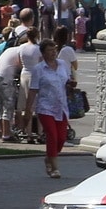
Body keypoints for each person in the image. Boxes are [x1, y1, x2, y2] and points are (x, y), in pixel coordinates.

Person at [27, 40, 72, 179]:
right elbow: (33, 90)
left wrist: (71, 85)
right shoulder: (39, 69)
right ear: (43, 53)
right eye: (50, 50)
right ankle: (54, 168)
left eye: (54, 49)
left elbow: (67, 81)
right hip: (45, 107)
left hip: (61, 106)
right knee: (52, 135)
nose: (53, 53)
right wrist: (28, 110)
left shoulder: (63, 65)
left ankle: (49, 158)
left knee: (62, 138)